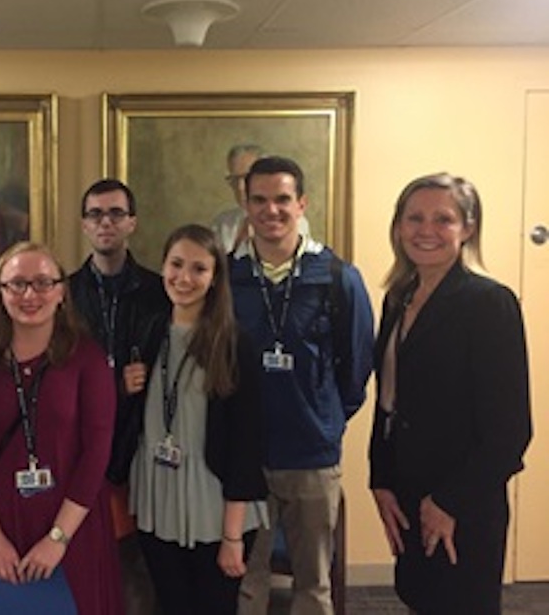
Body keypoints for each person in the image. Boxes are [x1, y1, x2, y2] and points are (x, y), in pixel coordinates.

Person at [369, 173, 531, 614]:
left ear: (469, 228)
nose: (426, 231)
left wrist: (449, 502)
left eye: (443, 219)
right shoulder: (398, 297)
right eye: (414, 218)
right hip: (407, 488)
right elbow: (389, 400)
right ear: (398, 226)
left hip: (463, 498)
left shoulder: (489, 303)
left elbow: (510, 432)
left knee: (460, 604)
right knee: (419, 597)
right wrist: (380, 479)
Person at [229, 156, 374, 615]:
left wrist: (324, 421)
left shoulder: (335, 277)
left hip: (311, 455)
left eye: (282, 199)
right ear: (245, 203)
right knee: (245, 580)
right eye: (259, 199)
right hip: (246, 456)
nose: (271, 210)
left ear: (302, 203)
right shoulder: (228, 278)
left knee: (313, 582)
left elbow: (356, 371)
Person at [0, 242, 124, 615]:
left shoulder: (87, 358)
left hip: (71, 528)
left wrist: (57, 539)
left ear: (61, 291)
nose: (29, 294)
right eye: (16, 284)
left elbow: (97, 452)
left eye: (43, 283)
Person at [129, 224, 267, 615]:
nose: (184, 278)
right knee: (171, 606)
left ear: (214, 278)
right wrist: (125, 386)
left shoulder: (235, 344)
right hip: (158, 498)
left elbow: (246, 444)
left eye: (198, 269)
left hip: (215, 504)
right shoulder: (152, 330)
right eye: (176, 264)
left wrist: (232, 536)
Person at [68, 178, 169, 615]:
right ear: (84, 225)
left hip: (142, 452)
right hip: (78, 452)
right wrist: (112, 386)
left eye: (115, 214)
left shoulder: (160, 291)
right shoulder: (63, 293)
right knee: (83, 572)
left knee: (138, 578)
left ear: (132, 223)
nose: (104, 222)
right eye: (95, 214)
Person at [211, 144, 264, 254]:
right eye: (234, 179)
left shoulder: (288, 221)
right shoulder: (222, 224)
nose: (240, 187)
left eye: (246, 178)